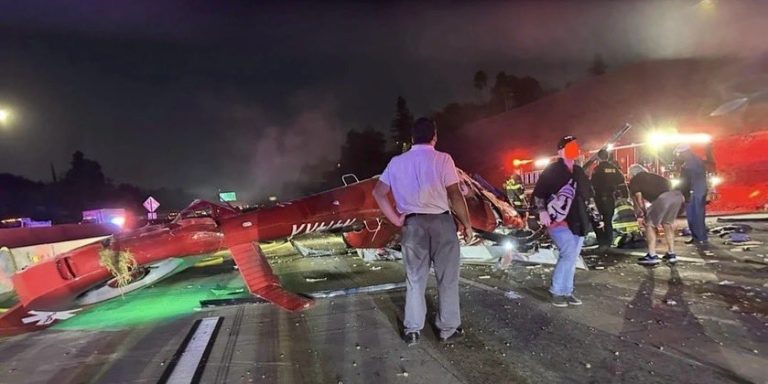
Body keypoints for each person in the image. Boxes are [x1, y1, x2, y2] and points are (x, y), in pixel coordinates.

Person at [372, 117, 473, 346]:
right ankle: (448, 329)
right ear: (434, 137)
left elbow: (378, 192)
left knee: (415, 279)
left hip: (413, 225)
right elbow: (456, 194)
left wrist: (396, 219)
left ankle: (412, 330)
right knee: (447, 279)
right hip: (442, 224)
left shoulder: (396, 162)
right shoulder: (443, 159)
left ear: (411, 138)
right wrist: (467, 225)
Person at [533, 135, 600, 307]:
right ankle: (556, 291)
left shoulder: (578, 171)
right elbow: (539, 193)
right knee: (569, 253)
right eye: (569, 147)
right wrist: (542, 212)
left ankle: (567, 291)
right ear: (560, 151)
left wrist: (595, 214)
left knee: (572, 256)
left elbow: (588, 195)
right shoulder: (552, 171)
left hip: (579, 221)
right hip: (558, 221)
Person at [627, 164, 685, 265]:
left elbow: (639, 199)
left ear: (632, 174)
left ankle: (652, 255)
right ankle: (671, 254)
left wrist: (644, 213)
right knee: (667, 224)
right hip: (677, 196)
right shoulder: (654, 176)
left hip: (663, 198)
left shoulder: (635, 180)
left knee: (649, 225)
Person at [590, 149, 626, 250]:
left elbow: (593, 184)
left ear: (598, 157)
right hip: (611, 198)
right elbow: (621, 182)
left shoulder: (597, 169)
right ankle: (608, 242)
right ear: (608, 156)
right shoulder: (614, 168)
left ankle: (602, 242)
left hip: (599, 198)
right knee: (608, 221)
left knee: (596, 220)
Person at [674, 144, 708, 245]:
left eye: (680, 154)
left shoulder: (688, 165)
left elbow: (685, 182)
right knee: (699, 215)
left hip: (692, 193)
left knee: (693, 216)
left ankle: (699, 237)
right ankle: (700, 237)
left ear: (685, 152)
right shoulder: (697, 160)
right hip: (699, 191)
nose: (679, 156)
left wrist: (682, 193)